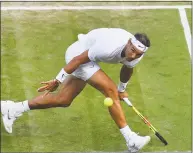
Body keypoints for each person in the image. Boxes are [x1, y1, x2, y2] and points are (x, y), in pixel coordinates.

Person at [1, 28, 151, 152]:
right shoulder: (109, 46)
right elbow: (78, 60)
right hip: (77, 54)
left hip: (90, 58)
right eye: (132, 50)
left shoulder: (137, 53)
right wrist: (57, 80)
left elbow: (127, 68)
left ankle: (13, 109)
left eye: (138, 54)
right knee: (110, 90)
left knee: (64, 100)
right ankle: (131, 139)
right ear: (128, 43)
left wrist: (122, 89)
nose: (133, 55)